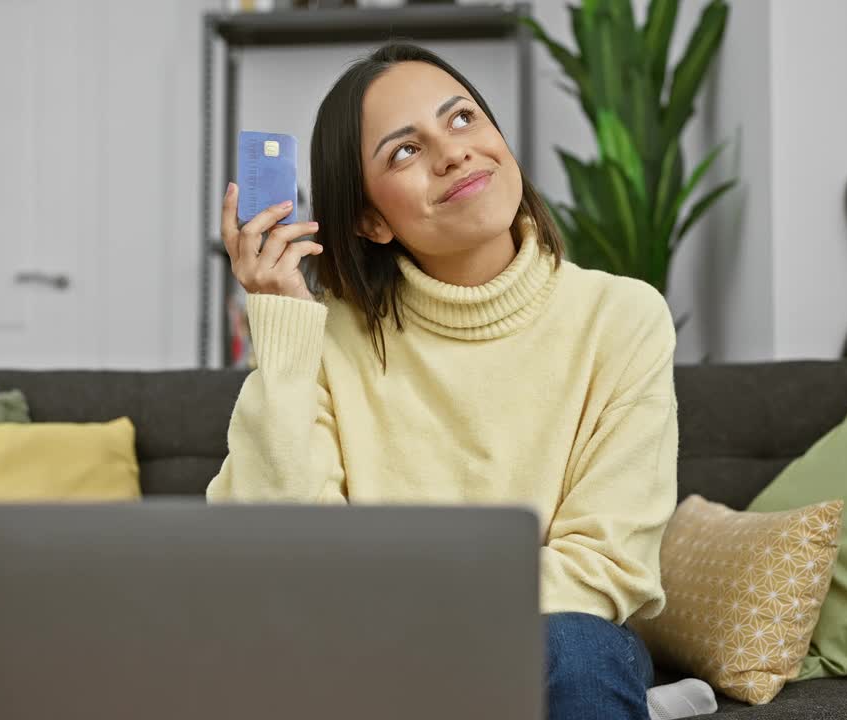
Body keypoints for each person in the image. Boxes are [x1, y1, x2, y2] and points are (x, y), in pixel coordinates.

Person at [206, 42, 684, 720]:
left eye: (462, 118)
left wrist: (407, 616)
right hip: (360, 653)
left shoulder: (623, 318)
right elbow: (272, 556)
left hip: (546, 638)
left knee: (576, 649)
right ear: (370, 218)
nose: (454, 152)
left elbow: (607, 568)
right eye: (405, 150)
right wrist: (282, 321)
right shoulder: (324, 335)